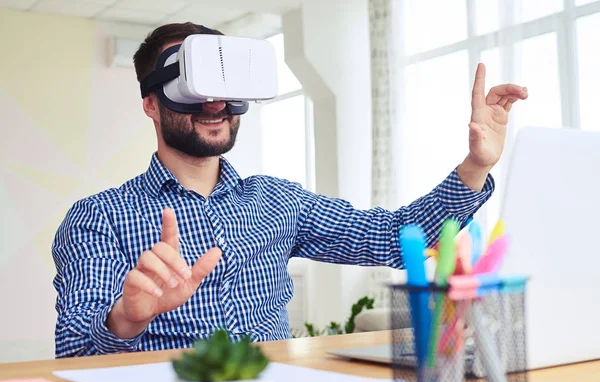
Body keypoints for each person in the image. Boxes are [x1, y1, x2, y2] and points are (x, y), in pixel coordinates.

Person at [51, 22, 528, 358]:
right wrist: (125, 321)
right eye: (192, 85)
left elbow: (390, 237)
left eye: (224, 81)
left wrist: (474, 166)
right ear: (151, 105)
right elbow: (72, 350)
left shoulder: (278, 201)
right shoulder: (99, 216)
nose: (215, 101)